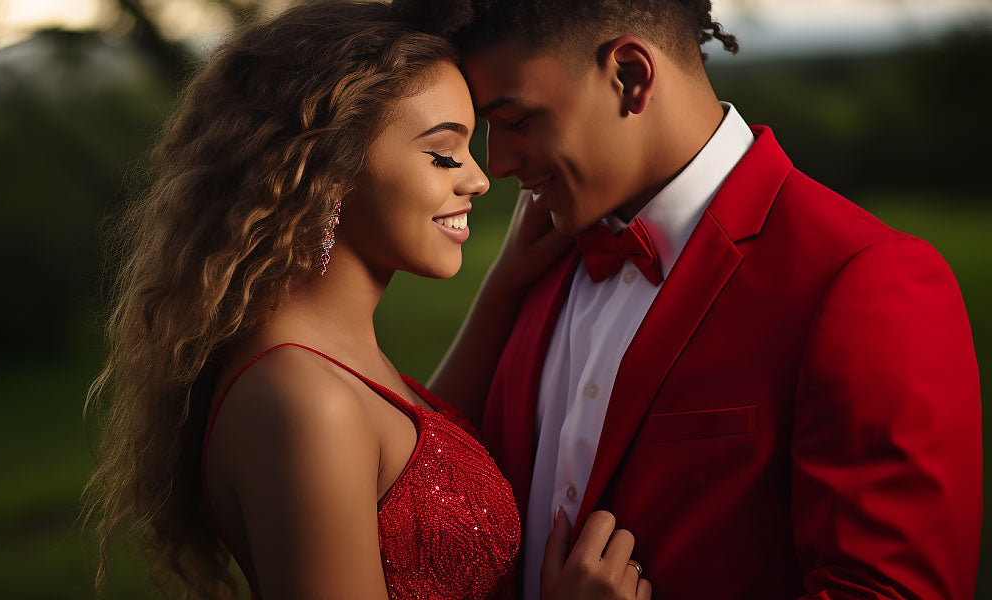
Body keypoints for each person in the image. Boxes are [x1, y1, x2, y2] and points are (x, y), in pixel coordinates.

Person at [393, 1, 984, 599]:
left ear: (630, 76)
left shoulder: (863, 278)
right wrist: (502, 291)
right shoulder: (541, 257)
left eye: (516, 120)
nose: (495, 164)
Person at [83, 2, 652, 599]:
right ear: (328, 171)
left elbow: (419, 448)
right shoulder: (301, 400)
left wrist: (505, 284)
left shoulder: (328, 362)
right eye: (444, 152)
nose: (480, 178)